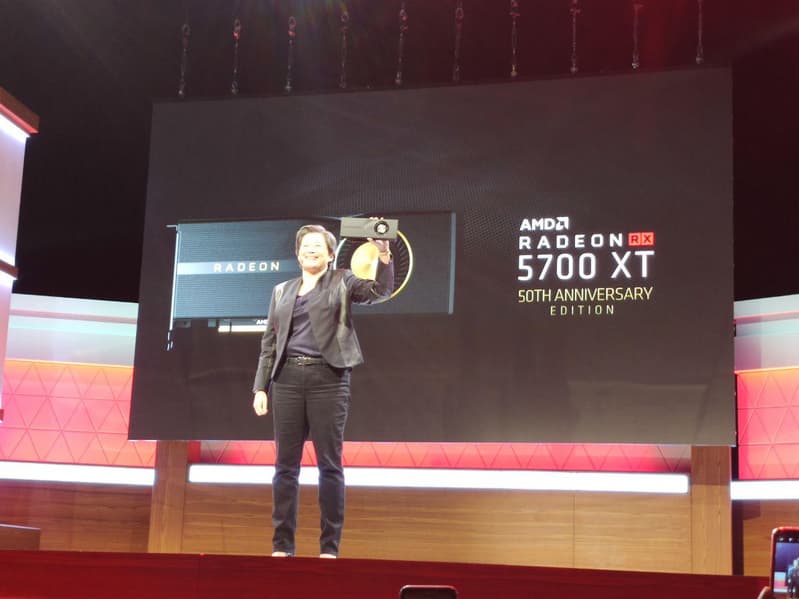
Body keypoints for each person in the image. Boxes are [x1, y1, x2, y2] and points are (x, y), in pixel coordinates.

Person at [252, 224, 393, 558]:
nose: (310, 250)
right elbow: (269, 342)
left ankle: (329, 548)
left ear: (330, 255)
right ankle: (282, 546)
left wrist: (384, 254)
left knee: (329, 465)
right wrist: (261, 387)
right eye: (305, 245)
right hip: (286, 380)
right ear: (297, 253)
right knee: (285, 466)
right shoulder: (281, 291)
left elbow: (379, 292)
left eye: (318, 246)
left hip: (328, 378)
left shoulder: (342, 281)